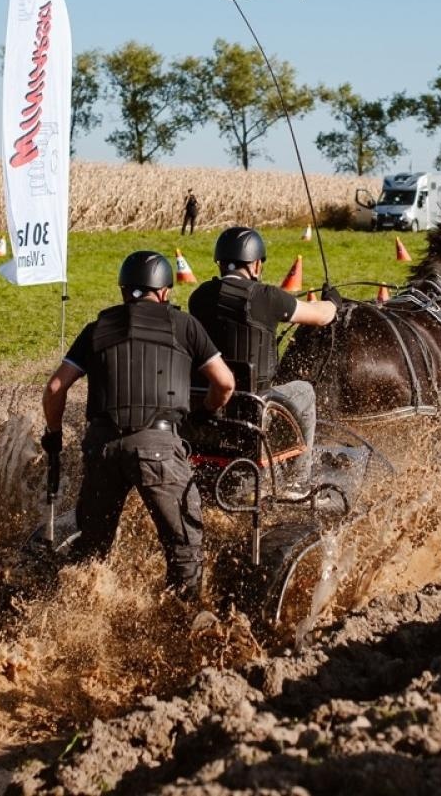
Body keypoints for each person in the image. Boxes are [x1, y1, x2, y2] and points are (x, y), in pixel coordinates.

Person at [40, 251, 234, 600]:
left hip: (102, 448)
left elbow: (55, 388)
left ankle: (78, 619)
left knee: (92, 552)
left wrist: (53, 436)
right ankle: (180, 622)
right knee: (184, 548)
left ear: (123, 291)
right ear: (164, 292)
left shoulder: (96, 328)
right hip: (158, 448)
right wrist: (203, 414)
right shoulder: (185, 325)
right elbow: (225, 383)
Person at [186, 227, 337, 481]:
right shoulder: (267, 297)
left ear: (220, 263)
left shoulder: (199, 296)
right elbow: (320, 316)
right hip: (256, 404)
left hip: (207, 403)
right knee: (305, 391)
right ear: (256, 264)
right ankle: (298, 480)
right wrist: (333, 301)